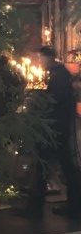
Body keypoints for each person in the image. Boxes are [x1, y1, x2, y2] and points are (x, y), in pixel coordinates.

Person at [27, 46, 81, 218]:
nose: (39, 61)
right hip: (55, 126)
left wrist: (38, 97)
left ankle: (37, 207)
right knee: (59, 165)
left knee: (48, 165)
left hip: (54, 127)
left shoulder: (58, 75)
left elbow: (53, 100)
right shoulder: (55, 73)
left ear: (47, 57)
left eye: (40, 58)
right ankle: (73, 205)